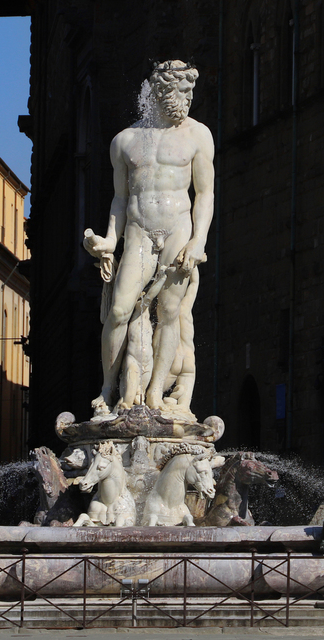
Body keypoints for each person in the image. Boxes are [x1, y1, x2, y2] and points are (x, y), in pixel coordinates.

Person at [83, 60, 214, 420]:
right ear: (160, 92)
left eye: (190, 92)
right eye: (182, 91)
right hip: (140, 231)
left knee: (170, 311)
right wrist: (111, 239)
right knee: (120, 309)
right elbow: (121, 199)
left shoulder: (198, 135)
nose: (187, 99)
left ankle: (156, 390)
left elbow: (205, 194)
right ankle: (108, 390)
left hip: (177, 229)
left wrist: (198, 240)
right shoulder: (124, 141)